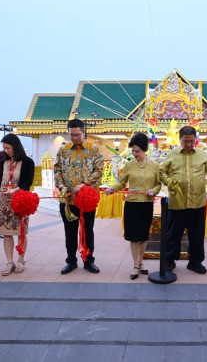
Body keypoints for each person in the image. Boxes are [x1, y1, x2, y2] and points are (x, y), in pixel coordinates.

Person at [160, 126, 207, 274]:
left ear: (195, 140)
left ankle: (195, 261)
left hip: (197, 202)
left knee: (197, 234)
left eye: (191, 141)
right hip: (177, 202)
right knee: (173, 234)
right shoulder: (172, 154)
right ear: (180, 140)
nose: (188, 144)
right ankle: (169, 261)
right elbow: (161, 172)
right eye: (185, 141)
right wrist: (168, 182)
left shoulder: (202, 155)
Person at [105, 133, 161, 280]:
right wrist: (113, 188)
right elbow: (122, 183)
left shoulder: (154, 165)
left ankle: (142, 263)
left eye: (137, 151)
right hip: (132, 205)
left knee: (143, 236)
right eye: (133, 151)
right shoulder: (129, 165)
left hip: (146, 204)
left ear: (145, 150)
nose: (134, 154)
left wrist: (153, 191)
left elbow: (158, 184)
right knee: (133, 237)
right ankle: (135, 265)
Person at [55, 119, 104, 275]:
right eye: (71, 135)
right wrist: (61, 186)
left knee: (87, 230)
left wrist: (84, 184)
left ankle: (89, 261)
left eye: (77, 135)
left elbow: (99, 170)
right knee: (69, 231)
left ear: (84, 132)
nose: (75, 138)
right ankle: (71, 261)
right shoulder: (63, 151)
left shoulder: (94, 150)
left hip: (86, 200)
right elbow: (57, 171)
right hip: (68, 201)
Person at [0, 134, 35, 275]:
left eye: (8, 148)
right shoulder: (3, 162)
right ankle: (9, 261)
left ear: (15, 147)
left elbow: (28, 181)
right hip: (4, 201)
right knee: (6, 233)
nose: (5, 151)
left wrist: (18, 189)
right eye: (4, 148)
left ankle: (20, 260)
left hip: (19, 201)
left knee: (20, 232)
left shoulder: (27, 162)